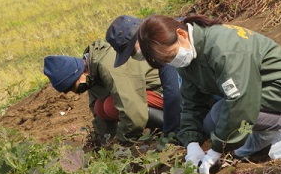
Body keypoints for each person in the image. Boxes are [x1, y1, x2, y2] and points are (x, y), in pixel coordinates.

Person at [136, 14, 281, 174]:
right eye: (166, 60)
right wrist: (192, 143)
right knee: (210, 122)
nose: (172, 62)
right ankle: (266, 132)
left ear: (182, 34)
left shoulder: (222, 49)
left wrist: (218, 148)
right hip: (257, 89)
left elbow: (241, 100)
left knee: (221, 113)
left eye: (171, 55)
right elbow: (191, 103)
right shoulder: (189, 56)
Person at [43, 17, 181, 145]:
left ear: (80, 72)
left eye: (74, 86)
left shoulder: (107, 67)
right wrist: (103, 141)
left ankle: (170, 125)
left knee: (111, 105)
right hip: (148, 91)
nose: (75, 91)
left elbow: (131, 108)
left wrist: (124, 141)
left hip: (167, 89)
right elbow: (98, 115)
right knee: (100, 107)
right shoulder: (92, 70)